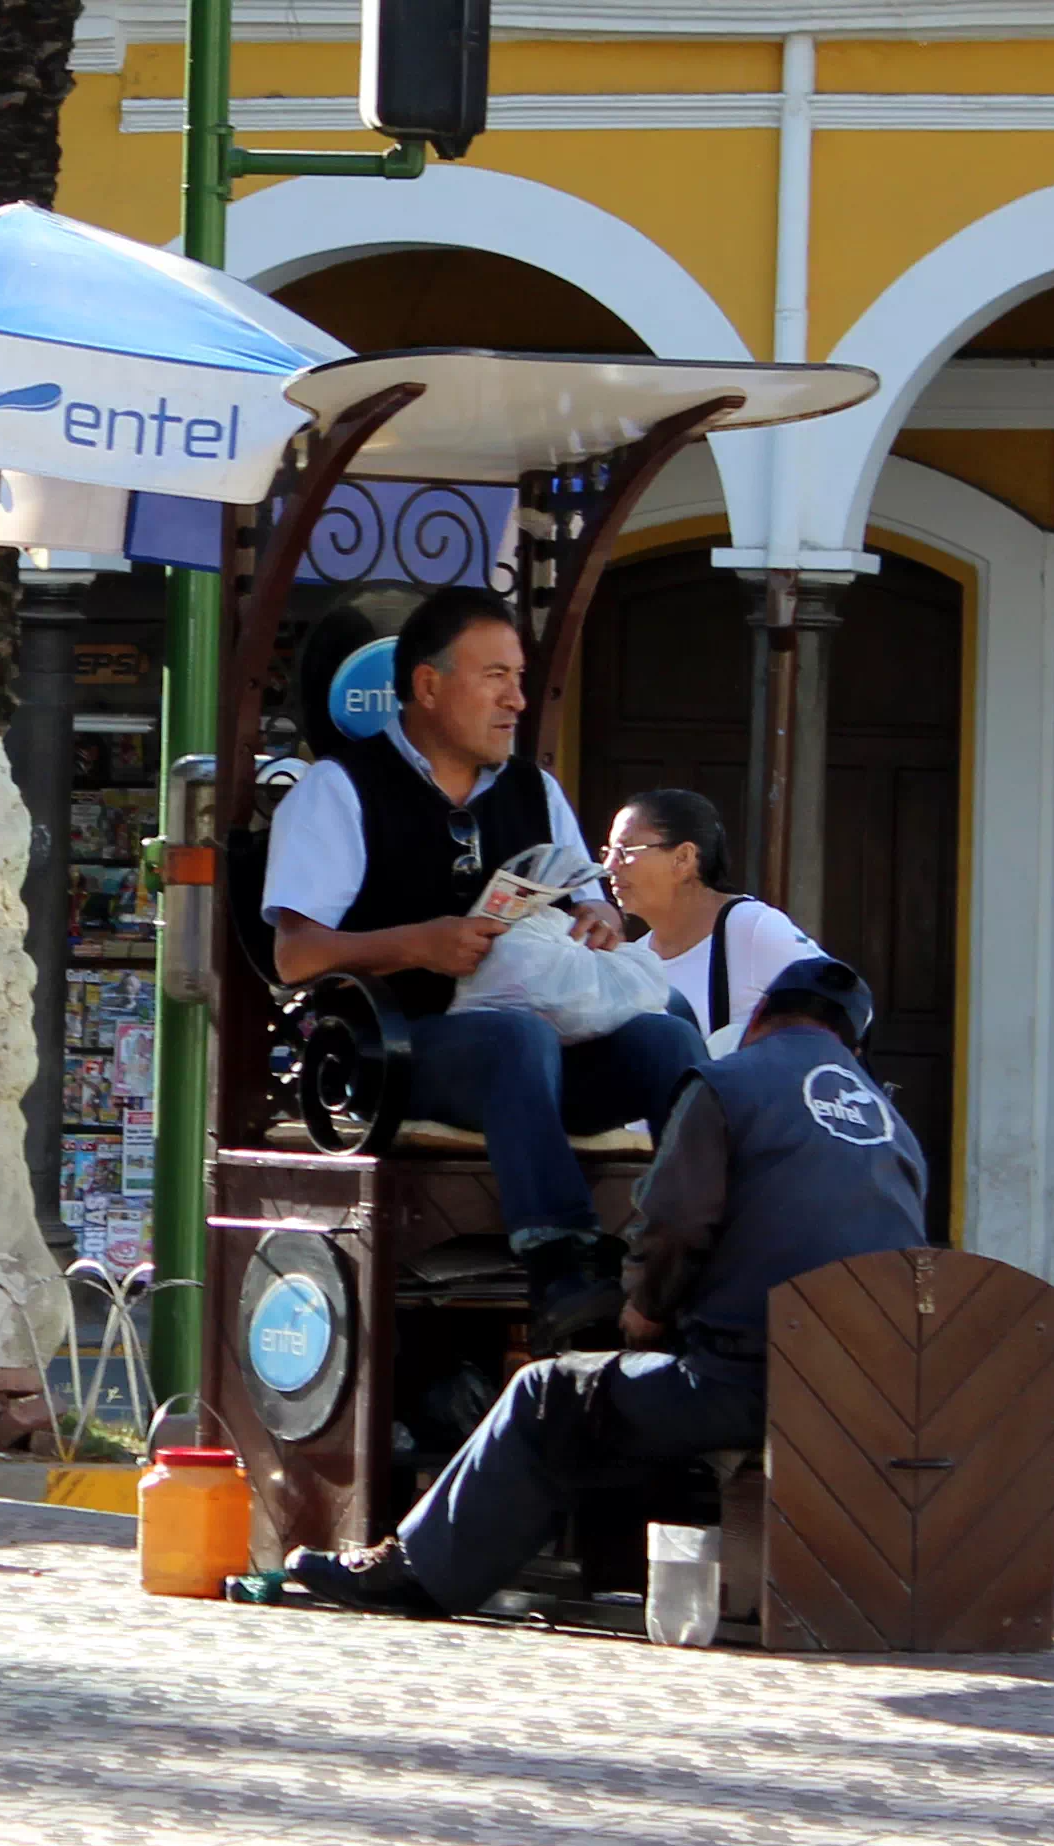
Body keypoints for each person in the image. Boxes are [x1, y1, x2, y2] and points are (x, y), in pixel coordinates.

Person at [285, 955, 929, 1616]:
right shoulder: (894, 1126)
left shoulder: (729, 1082)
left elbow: (674, 1226)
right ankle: (612, 1570)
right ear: (853, 1046)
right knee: (613, 1396)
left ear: (758, 1018)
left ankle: (416, 1575)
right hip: (863, 1389)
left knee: (547, 1394)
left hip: (746, 1384)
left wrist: (646, 1310)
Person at [262, 586, 706, 1345]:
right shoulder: (340, 789)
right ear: (428, 686)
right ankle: (564, 1268)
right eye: (495, 676)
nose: (516, 700)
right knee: (513, 1038)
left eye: (520, 679)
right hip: (398, 1053)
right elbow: (296, 954)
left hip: (542, 1061)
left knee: (667, 1036)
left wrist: (599, 916)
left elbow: (585, 899)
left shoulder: (536, 791)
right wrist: (417, 944)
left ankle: (699, 1260)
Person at [603, 788, 820, 1054]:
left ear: (683, 858)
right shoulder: (635, 959)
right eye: (608, 852)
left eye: (624, 851)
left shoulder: (752, 928)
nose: (609, 867)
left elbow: (842, 1006)